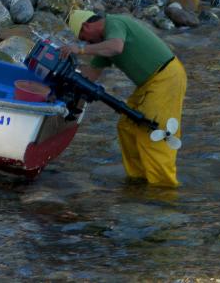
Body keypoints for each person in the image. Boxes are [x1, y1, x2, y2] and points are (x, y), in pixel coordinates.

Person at [61, 10, 187, 188]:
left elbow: (116, 46)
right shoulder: (103, 47)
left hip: (167, 78)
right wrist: (65, 87)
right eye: (83, 41)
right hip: (148, 84)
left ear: (87, 26)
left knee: (154, 132)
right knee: (127, 126)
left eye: (84, 37)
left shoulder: (114, 23)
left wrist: (81, 49)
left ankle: (163, 190)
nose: (86, 41)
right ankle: (139, 180)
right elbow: (90, 76)